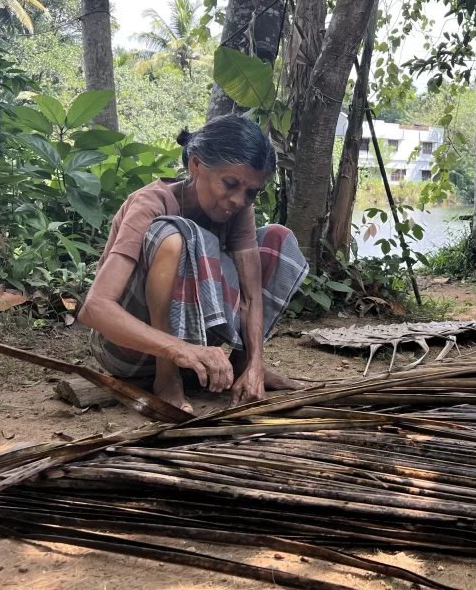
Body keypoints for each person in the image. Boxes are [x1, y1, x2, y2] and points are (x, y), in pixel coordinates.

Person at [79, 115, 309, 413]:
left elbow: (251, 298)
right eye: (230, 184)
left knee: (276, 238)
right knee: (174, 236)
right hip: (128, 351)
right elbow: (95, 308)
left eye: (251, 191)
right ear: (196, 165)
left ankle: (241, 364)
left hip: (195, 353)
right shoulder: (150, 203)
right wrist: (178, 351)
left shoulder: (237, 207)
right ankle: (166, 378)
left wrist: (255, 364)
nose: (239, 200)